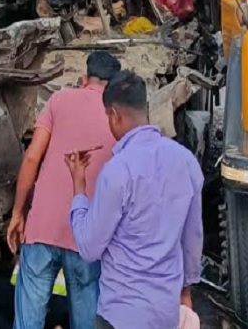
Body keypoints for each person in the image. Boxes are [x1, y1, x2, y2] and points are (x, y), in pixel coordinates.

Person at [66, 71, 204, 329]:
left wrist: (79, 188)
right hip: (166, 313)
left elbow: (89, 246)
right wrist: (185, 293)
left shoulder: (118, 171)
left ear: (115, 115)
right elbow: (192, 239)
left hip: (121, 314)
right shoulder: (186, 162)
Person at [8, 51, 121, 329]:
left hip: (42, 229)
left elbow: (32, 157)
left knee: (27, 321)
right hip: (86, 237)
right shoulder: (117, 117)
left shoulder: (59, 100)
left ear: (85, 79)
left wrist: (18, 213)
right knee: (85, 321)